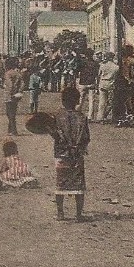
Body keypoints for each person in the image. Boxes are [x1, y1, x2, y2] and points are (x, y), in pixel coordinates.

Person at [50, 85, 91, 221]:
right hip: (77, 154)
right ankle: (78, 215)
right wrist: (78, 146)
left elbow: (55, 135)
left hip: (61, 154)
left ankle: (60, 213)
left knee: (60, 182)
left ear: (63, 100)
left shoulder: (58, 116)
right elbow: (86, 137)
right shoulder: (82, 118)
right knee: (79, 184)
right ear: (77, 101)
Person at [3, 57, 24, 136]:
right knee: (13, 113)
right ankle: (10, 130)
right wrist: (19, 91)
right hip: (16, 95)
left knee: (9, 113)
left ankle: (14, 130)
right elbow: (22, 84)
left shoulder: (8, 73)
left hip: (9, 95)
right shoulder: (18, 73)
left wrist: (11, 93)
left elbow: (10, 85)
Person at [76, 49, 99, 121]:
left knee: (80, 99)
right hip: (91, 82)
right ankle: (90, 117)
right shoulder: (95, 63)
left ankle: (77, 113)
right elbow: (96, 74)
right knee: (91, 100)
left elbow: (77, 70)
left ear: (85, 55)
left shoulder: (82, 63)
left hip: (82, 82)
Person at [97, 52, 119, 123]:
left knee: (102, 102)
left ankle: (100, 117)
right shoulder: (116, 67)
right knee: (111, 102)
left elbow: (99, 75)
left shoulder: (102, 65)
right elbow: (116, 77)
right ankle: (107, 116)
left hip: (102, 83)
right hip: (110, 84)